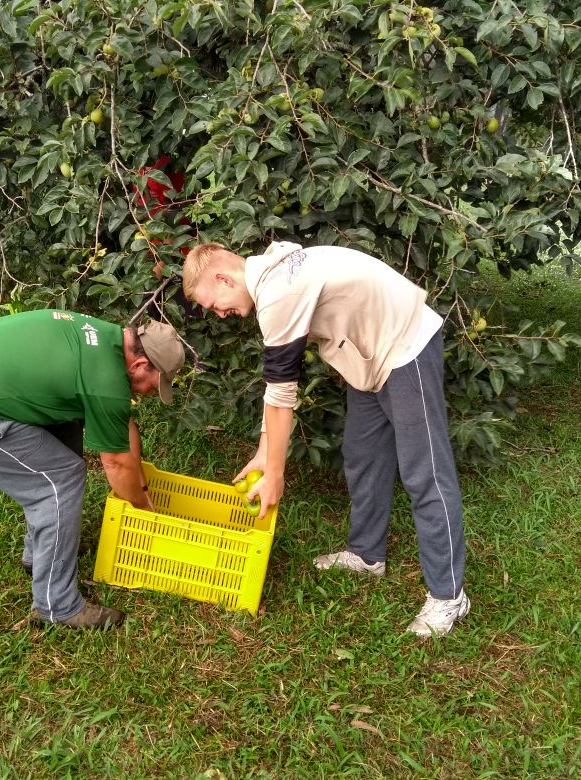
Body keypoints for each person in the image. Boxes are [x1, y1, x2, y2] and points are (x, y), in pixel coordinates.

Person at [183, 241, 469, 637]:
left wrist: (277, 473)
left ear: (223, 277)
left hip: (404, 345)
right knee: (362, 454)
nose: (218, 313)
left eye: (214, 303)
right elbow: (277, 390)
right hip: (365, 353)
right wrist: (265, 454)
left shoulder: (278, 293)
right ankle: (367, 555)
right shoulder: (273, 274)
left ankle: (449, 596)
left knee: (426, 474)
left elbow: (282, 394)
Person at [0, 310, 185, 630]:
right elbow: (116, 462)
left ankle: (40, 553)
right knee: (60, 478)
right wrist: (143, 511)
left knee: (65, 437)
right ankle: (57, 606)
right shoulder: (105, 382)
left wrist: (143, 487)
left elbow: (123, 427)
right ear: (140, 365)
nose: (153, 391)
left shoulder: (107, 338)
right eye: (157, 382)